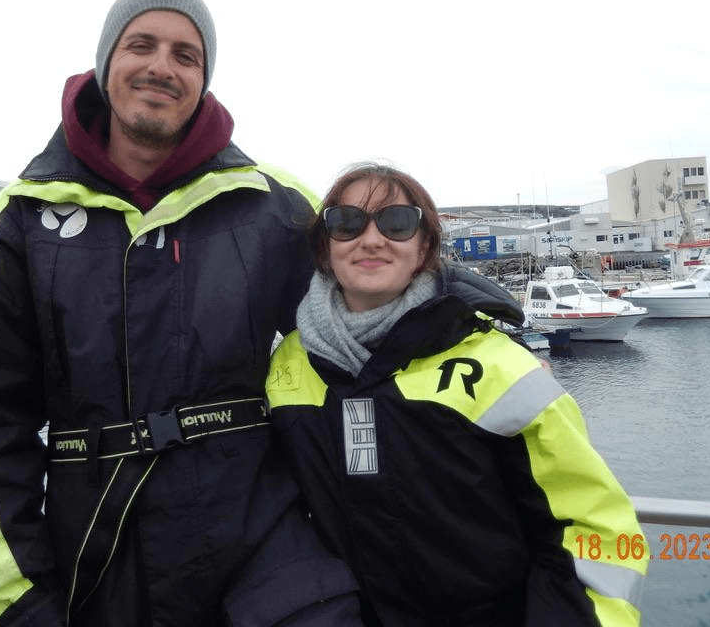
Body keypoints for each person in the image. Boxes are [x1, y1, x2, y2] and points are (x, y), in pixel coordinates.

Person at [0, 0, 363, 627]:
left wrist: (476, 319)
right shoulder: (19, 219)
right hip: (99, 558)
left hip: (268, 547)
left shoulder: (272, 204)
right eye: (142, 44)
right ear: (108, 61)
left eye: (186, 55)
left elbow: (382, 298)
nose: (162, 67)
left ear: (203, 80)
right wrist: (18, 599)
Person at [266, 163, 648, 626]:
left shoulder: (499, 367)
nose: (371, 239)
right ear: (325, 245)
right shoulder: (286, 364)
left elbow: (597, 528)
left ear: (424, 247)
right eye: (347, 222)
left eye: (397, 222)